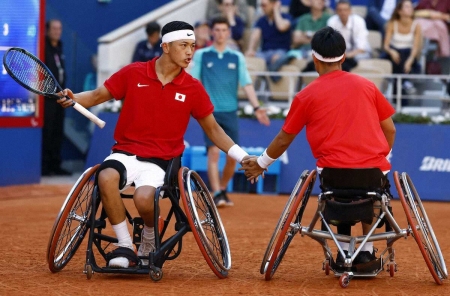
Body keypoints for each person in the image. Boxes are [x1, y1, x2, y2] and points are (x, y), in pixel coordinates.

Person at [57, 21, 251, 269]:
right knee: (105, 176)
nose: (190, 52)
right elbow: (96, 96)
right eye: (184, 45)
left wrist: (242, 156)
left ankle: (150, 234)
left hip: (162, 161)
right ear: (166, 47)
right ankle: (125, 245)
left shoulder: (193, 88)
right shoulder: (133, 72)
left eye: (192, 46)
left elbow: (213, 129)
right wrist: (74, 99)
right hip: (126, 152)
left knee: (144, 197)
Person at [241, 26, 396, 267]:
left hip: (333, 176)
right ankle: (365, 250)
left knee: (340, 192)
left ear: (314, 58)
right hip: (372, 172)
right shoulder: (367, 86)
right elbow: (391, 129)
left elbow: (284, 138)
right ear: (344, 58)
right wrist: (382, 155)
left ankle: (345, 251)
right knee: (373, 193)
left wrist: (261, 164)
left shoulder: (305, 95)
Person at [190, 17, 270, 207]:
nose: (220, 33)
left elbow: (247, 84)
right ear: (212, 32)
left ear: (228, 33)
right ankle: (216, 192)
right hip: (209, 113)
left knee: (232, 157)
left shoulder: (237, 57)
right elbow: (193, 82)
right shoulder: (202, 55)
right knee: (213, 153)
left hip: (230, 112)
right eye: (216, 30)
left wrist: (257, 107)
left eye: (223, 30)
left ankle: (223, 189)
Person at [42, 19, 70, 176]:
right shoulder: (43, 47)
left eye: (59, 29)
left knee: (58, 132)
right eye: (54, 28)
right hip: (47, 99)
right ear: (47, 30)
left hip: (61, 98)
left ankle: (55, 165)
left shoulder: (60, 47)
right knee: (48, 132)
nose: (57, 32)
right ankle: (45, 167)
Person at [383, 0, 422, 96]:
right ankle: (405, 82)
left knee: (405, 54)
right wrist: (391, 51)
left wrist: (410, 60)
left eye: (411, 6)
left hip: (408, 54)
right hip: (393, 54)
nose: (410, 8)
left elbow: (415, 47)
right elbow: (385, 45)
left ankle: (400, 86)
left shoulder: (416, 25)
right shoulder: (392, 23)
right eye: (407, 7)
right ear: (399, 11)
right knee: (397, 56)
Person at [245, 0, 293, 70]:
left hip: (281, 52)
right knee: (249, 59)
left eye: (264, 5)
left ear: (274, 4)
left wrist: (276, 10)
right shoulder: (262, 20)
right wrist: (250, 50)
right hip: (264, 53)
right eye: (261, 5)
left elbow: (281, 27)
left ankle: (270, 76)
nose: (262, 8)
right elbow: (255, 36)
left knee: (279, 59)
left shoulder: (286, 17)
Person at [326, 0, 371, 72]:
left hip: (357, 54)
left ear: (350, 11)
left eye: (345, 10)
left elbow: (361, 48)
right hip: (340, 54)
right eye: (340, 10)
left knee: (356, 59)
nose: (343, 13)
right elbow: (331, 44)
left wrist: (345, 56)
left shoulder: (359, 21)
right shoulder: (331, 21)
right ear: (336, 11)